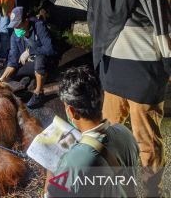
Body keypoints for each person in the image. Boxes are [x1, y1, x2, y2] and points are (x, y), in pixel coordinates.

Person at [28, 0, 171, 195]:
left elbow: (163, 25)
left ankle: (151, 190)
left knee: (147, 144)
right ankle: (119, 190)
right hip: (112, 75)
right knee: (107, 137)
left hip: (143, 77)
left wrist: (167, 66)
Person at [42, 66, 139, 197]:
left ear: (72, 111)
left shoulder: (74, 161)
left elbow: (51, 195)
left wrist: (50, 166)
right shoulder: (125, 132)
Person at [0, 7, 56, 108]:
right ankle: (31, 78)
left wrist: (30, 52)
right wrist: (1, 79)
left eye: (17, 25)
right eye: (13, 25)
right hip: (30, 62)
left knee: (40, 59)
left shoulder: (39, 26)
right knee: (11, 74)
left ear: (26, 21)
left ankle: (39, 93)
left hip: (46, 61)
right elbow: (13, 60)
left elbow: (50, 49)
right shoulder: (15, 36)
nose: (15, 28)